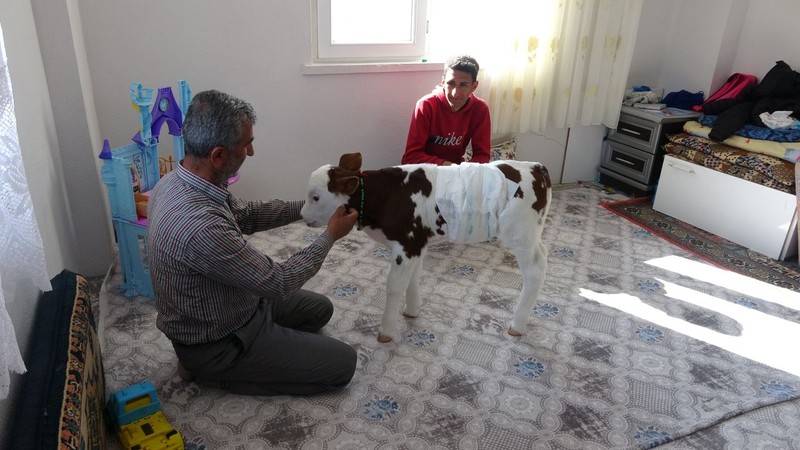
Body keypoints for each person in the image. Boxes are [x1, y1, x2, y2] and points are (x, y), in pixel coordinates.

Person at [146, 89, 359, 396]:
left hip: (239, 305)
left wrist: (313, 206)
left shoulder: (179, 180)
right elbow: (279, 281)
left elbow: (248, 214)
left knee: (320, 310)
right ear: (219, 155)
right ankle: (217, 375)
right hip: (218, 343)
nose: (252, 152)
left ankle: (266, 349)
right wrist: (331, 235)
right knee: (343, 365)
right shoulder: (201, 226)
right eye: (247, 145)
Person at [401, 55, 491, 166]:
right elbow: (411, 156)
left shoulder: (480, 109)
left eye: (463, 85)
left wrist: (463, 172)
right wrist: (450, 167)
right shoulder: (426, 105)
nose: (455, 93)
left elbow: (482, 155)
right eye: (451, 83)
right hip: (423, 172)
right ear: (443, 82)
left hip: (456, 171)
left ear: (474, 86)